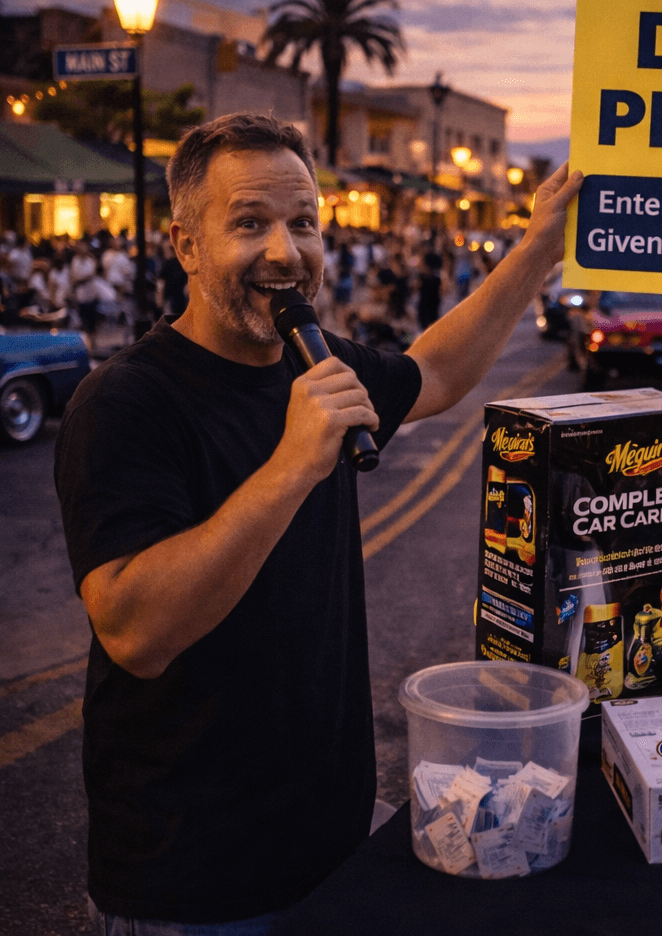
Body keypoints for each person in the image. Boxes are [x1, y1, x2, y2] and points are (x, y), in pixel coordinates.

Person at [54, 111, 582, 934]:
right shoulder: (126, 402)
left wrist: (540, 249)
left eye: (303, 223)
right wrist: (293, 463)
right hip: (195, 881)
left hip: (335, 845)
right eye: (250, 223)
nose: (285, 251)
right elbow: (135, 630)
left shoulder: (316, 360)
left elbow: (434, 371)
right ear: (186, 244)